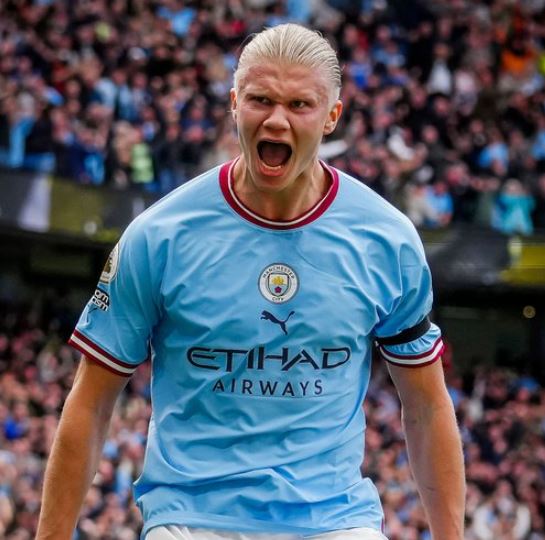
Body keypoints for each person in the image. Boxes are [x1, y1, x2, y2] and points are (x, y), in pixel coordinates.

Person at [36, 24, 465, 540]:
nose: (277, 119)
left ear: (332, 116)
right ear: (235, 103)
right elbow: (90, 402)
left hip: (335, 521)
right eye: (261, 99)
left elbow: (427, 405)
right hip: (192, 520)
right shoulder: (161, 236)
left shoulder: (386, 240)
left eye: (300, 104)